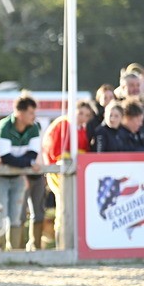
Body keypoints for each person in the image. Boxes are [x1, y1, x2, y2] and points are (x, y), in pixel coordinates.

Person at [0, 96, 42, 252]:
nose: (34, 116)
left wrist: (21, 161)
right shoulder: (3, 127)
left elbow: (31, 155)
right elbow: (7, 157)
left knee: (16, 216)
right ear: (20, 113)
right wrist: (27, 162)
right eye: (31, 112)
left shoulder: (34, 128)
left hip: (17, 176)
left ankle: (14, 253)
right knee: (0, 214)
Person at [42, 100, 94, 248]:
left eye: (86, 115)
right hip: (60, 173)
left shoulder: (80, 129)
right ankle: (62, 243)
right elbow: (54, 150)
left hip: (74, 173)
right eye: (81, 113)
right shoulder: (63, 124)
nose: (82, 117)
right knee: (63, 206)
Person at [118, 69, 144, 146]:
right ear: (123, 88)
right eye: (131, 85)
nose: (135, 88)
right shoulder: (117, 108)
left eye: (138, 85)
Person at [85, 84, 114, 151]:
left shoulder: (120, 116)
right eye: (105, 98)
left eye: (111, 97)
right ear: (99, 99)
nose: (109, 100)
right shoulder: (92, 118)